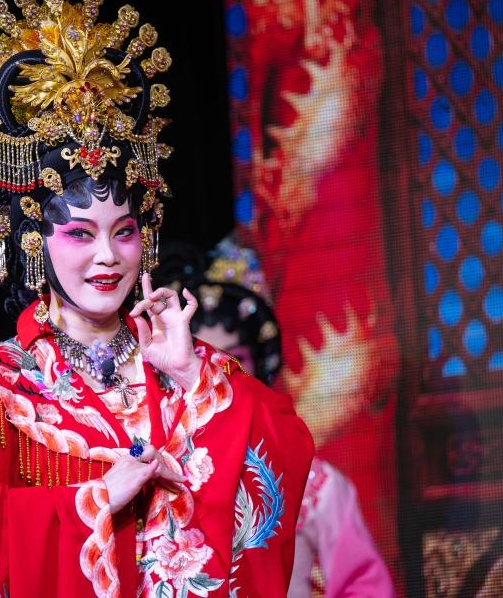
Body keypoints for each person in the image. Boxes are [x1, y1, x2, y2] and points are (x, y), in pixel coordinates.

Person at [0, 0, 315, 598]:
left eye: (124, 231)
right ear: (33, 239)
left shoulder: (189, 366)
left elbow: (288, 456)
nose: (107, 257)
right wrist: (96, 498)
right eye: (79, 234)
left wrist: (190, 379)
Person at [155, 235, 395, 598]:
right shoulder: (159, 470)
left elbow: (363, 589)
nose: (215, 376)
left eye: (232, 361)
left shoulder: (311, 483)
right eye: (201, 361)